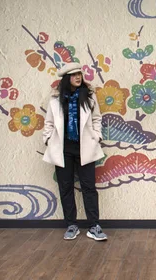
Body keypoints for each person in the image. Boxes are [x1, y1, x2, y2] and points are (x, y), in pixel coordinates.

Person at [42, 62, 108, 241]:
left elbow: (97, 119)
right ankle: (71, 225)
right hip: (63, 149)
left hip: (85, 147)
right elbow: (48, 123)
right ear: (66, 79)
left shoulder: (89, 96)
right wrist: (48, 139)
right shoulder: (56, 99)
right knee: (66, 187)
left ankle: (94, 226)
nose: (78, 77)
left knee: (89, 187)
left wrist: (97, 137)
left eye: (79, 74)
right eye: (73, 75)